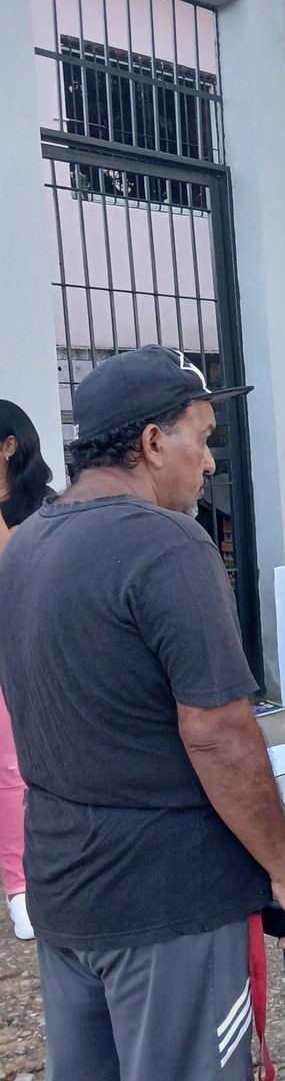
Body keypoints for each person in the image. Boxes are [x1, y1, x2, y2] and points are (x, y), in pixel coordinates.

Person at [0, 346, 285, 1081]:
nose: (210, 461)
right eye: (201, 436)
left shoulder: (26, 544)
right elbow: (218, 732)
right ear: (151, 443)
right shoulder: (169, 545)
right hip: (167, 902)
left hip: (67, 888)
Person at [0, 400, 57, 941]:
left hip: (24, 654)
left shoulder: (42, 508)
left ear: (8, 446)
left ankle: (21, 889)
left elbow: (23, 578)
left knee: (16, 772)